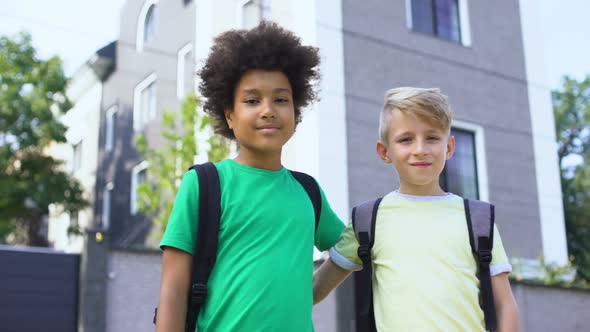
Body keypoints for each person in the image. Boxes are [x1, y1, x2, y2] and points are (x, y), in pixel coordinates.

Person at [155, 21, 344, 332]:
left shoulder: (308, 191)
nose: (268, 110)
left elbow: (346, 250)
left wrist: (309, 292)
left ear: (296, 113)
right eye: (252, 100)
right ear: (229, 115)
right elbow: (173, 290)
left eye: (281, 100)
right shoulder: (204, 184)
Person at [313, 87, 520, 331]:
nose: (420, 149)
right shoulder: (368, 220)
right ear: (384, 151)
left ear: (450, 147)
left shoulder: (477, 220)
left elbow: (505, 306)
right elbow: (313, 292)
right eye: (406, 139)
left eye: (432, 138)